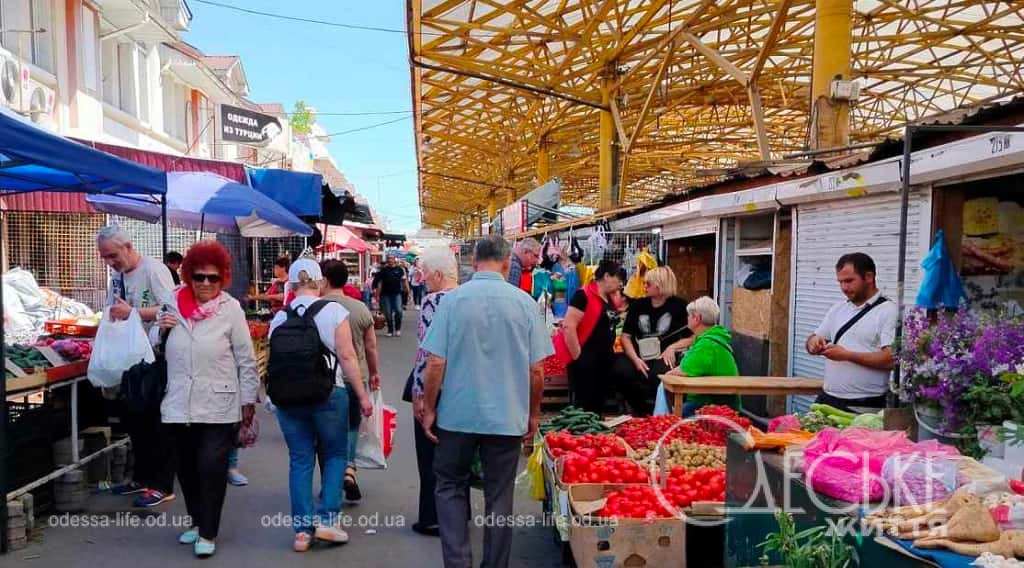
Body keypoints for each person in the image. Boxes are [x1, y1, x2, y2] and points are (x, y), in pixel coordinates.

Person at [420, 236, 553, 568]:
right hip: (506, 418)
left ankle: (458, 561)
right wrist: (533, 414)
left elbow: (435, 362)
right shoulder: (525, 304)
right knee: (499, 495)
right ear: (508, 262)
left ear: (473, 262)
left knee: (449, 486)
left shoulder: (452, 302)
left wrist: (430, 407)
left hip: (456, 417)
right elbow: (537, 370)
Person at [154, 241, 259, 558]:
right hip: (178, 403)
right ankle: (196, 521)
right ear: (188, 276)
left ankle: (209, 531)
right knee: (185, 469)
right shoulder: (171, 302)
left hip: (219, 405)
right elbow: (154, 347)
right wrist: (160, 332)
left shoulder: (230, 309)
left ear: (222, 279)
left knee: (210, 467)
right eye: (199, 277)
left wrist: (248, 401)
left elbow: (246, 359)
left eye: (212, 278)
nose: (205, 284)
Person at [269, 259, 373, 553]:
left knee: (300, 459)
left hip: (288, 398)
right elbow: (348, 357)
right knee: (336, 454)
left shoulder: (279, 318)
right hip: (329, 394)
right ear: (319, 282)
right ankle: (328, 519)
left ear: (290, 284)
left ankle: (302, 531)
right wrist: (362, 397)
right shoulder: (334, 311)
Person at [96, 226, 177, 508]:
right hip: (129, 359)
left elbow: (171, 308)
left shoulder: (154, 270)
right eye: (104, 257)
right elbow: (111, 308)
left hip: (154, 357)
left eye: (113, 255)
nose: (110, 262)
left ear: (128, 246)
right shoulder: (116, 277)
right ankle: (141, 478)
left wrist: (134, 313)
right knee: (135, 421)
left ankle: (162, 485)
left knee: (156, 422)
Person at [401, 247, 459, 537]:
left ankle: (432, 517)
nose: (422, 279)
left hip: (437, 386)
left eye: (425, 274)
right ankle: (460, 514)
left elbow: (428, 354)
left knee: (430, 456)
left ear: (437, 274)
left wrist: (420, 395)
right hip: (462, 389)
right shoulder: (467, 299)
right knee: (456, 457)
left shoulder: (434, 301)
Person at [321, 259, 381, 503]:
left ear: (324, 279)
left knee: (325, 431)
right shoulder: (359, 309)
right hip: (355, 377)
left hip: (323, 380)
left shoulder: (316, 307)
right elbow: (371, 346)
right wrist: (374, 372)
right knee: (352, 425)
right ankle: (349, 467)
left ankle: (329, 480)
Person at [806, 252, 897, 411]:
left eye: (849, 281)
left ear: (869, 277)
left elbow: (891, 359)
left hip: (864, 406)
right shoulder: (838, 309)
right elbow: (814, 338)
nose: (844, 288)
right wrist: (814, 344)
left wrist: (847, 355)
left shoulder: (889, 311)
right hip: (827, 399)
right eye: (840, 282)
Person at [612, 267, 693, 415]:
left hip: (664, 356)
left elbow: (693, 336)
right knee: (620, 370)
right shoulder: (637, 305)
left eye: (648, 284)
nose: (644, 286)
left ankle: (660, 411)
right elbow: (626, 336)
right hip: (638, 354)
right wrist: (635, 359)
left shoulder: (679, 306)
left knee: (661, 373)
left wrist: (673, 348)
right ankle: (640, 410)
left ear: (660, 285)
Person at [559, 260, 626, 414]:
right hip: (585, 361)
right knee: (585, 406)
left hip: (603, 360)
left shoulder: (607, 298)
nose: (620, 284)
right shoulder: (583, 295)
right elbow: (569, 326)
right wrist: (578, 356)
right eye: (618, 279)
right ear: (607, 276)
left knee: (598, 404)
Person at [660, 297, 741, 416]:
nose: (687, 318)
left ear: (697, 318)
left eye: (689, 315)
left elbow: (682, 371)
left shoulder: (707, 345)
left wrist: (667, 375)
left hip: (712, 407)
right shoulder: (712, 339)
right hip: (714, 403)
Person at [374, 255, 410, 337]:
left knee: (399, 311)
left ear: (394, 260)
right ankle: (390, 330)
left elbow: (404, 281)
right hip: (385, 294)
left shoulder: (399, 270)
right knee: (388, 313)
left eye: (391, 258)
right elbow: (380, 283)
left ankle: (398, 329)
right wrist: (377, 295)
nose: (390, 260)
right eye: (388, 259)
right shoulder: (383, 270)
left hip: (397, 293)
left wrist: (408, 291)